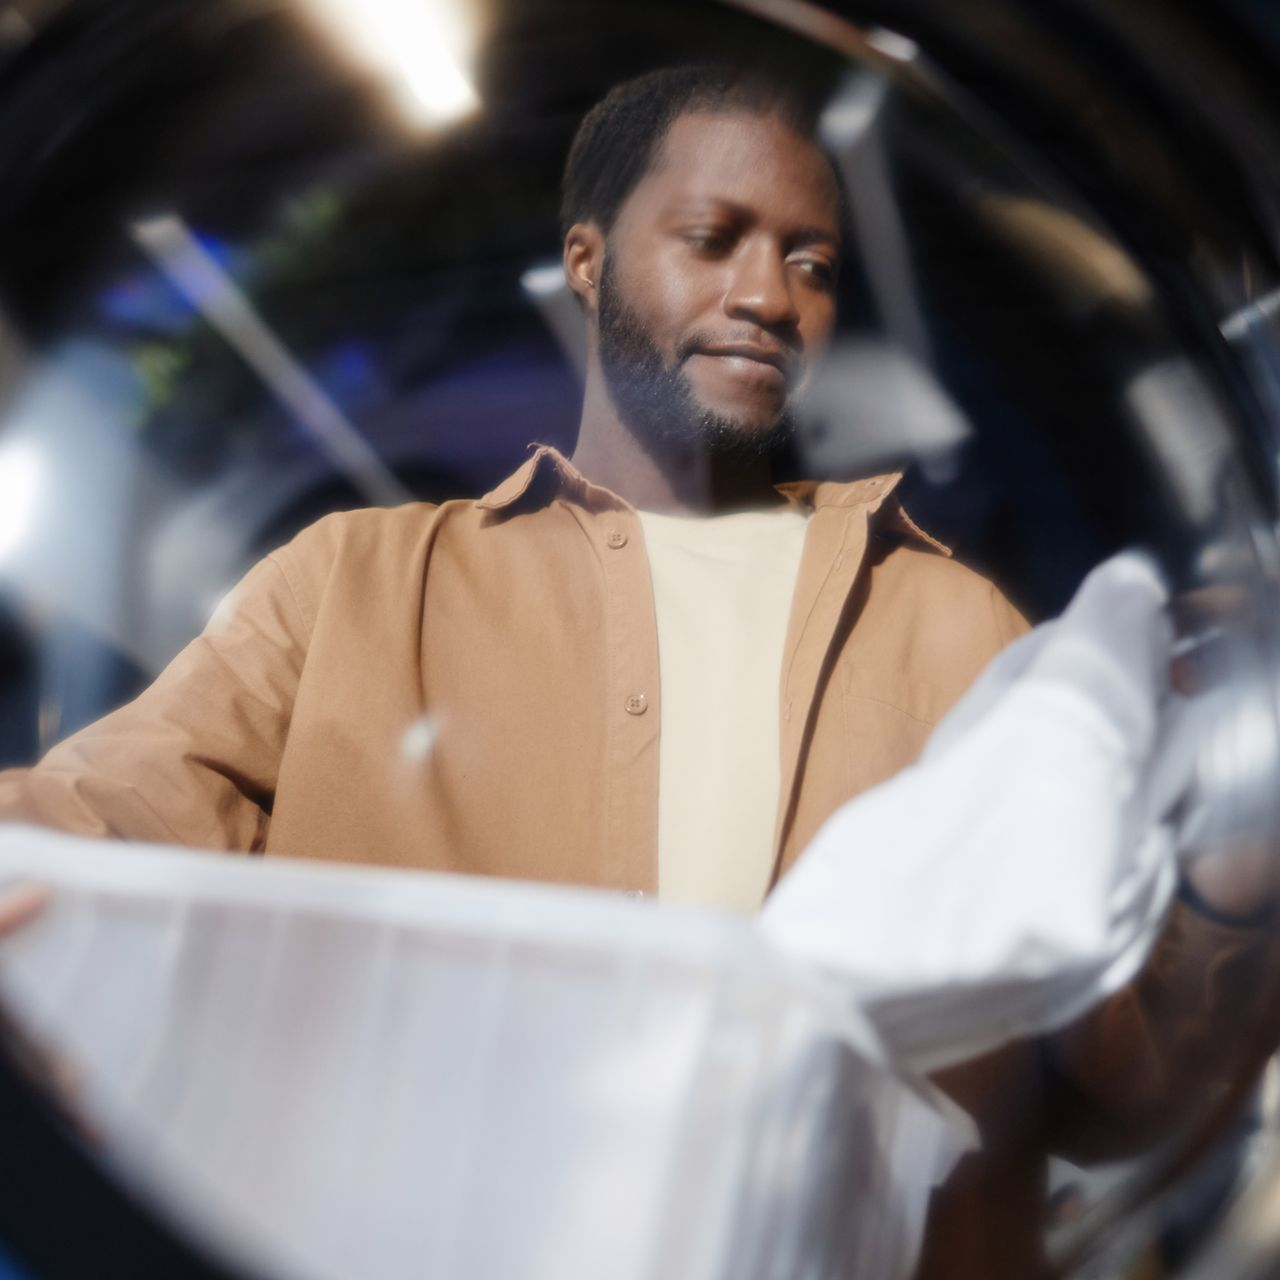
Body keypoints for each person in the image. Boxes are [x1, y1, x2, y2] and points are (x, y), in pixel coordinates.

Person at [0, 64, 1273, 1279]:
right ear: (587, 259)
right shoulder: (353, 584)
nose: (769, 295)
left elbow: (1121, 1085)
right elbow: (93, 814)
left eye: (811, 262)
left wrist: (1234, 854)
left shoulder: (960, 628)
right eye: (712, 237)